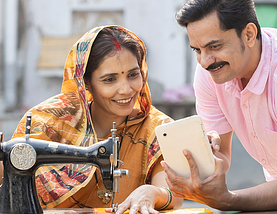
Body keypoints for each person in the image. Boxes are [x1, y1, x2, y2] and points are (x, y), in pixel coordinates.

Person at [0, 25, 183, 213]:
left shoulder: (158, 129)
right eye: (110, 79)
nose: (126, 89)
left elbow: (173, 195)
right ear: (85, 82)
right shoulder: (49, 122)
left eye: (133, 75)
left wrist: (151, 192)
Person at [161, 0, 277, 214]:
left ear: (249, 34)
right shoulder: (212, 74)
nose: (205, 61)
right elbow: (221, 159)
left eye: (214, 46)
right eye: (197, 50)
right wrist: (203, 161)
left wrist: (225, 199)